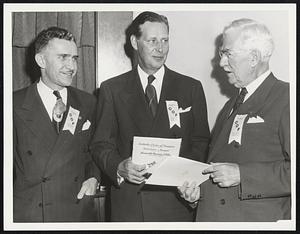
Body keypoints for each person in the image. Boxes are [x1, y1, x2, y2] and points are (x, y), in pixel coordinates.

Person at [90, 11, 210, 221]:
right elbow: (100, 145)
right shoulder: (112, 89)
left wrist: (185, 175)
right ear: (135, 42)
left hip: (177, 202)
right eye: (152, 40)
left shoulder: (191, 88)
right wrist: (119, 167)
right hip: (131, 205)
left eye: (165, 40)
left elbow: (201, 141)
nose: (160, 48)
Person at [178, 18, 290, 221]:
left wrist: (243, 175)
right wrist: (198, 194)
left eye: (227, 53)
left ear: (254, 57)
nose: (221, 62)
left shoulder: (287, 98)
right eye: (222, 54)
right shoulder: (231, 104)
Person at [13, 27, 100, 222]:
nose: (72, 66)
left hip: (77, 212)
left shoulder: (88, 102)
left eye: (75, 58)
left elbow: (96, 150)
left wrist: (94, 177)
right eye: (63, 57)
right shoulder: (13, 104)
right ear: (41, 60)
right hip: (32, 214)